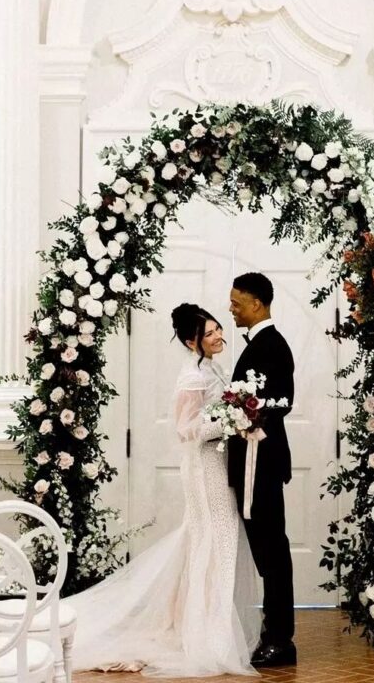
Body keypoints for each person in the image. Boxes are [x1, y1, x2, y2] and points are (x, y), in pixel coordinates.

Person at [69, 303, 260, 677]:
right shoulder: (192, 376)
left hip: (216, 463)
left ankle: (203, 625)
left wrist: (234, 418)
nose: (220, 335)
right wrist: (230, 422)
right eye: (210, 333)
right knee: (214, 539)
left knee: (213, 541)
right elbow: (184, 430)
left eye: (219, 328)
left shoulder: (213, 369)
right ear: (192, 341)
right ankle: (209, 635)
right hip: (204, 466)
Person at [228, 272, 297, 667]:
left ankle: (280, 639)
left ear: (257, 304)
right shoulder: (259, 343)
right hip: (254, 461)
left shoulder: (273, 345)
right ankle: (274, 632)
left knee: (273, 550)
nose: (232, 309)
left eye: (237, 303)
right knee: (266, 549)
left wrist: (244, 411)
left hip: (264, 463)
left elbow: (283, 400)